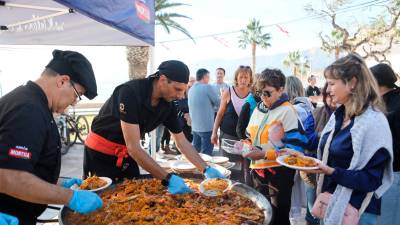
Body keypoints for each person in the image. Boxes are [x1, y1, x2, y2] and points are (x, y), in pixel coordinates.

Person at [83, 60, 225, 195]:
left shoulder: (168, 106)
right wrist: (168, 178)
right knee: (100, 202)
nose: (181, 96)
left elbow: (182, 142)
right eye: (177, 89)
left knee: (132, 196)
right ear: (162, 80)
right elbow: (133, 147)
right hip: (99, 154)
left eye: (183, 90)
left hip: (128, 154)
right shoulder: (130, 92)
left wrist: (205, 168)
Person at [0, 50, 103, 225]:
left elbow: (26, 165)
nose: (73, 103)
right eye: (77, 96)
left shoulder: (29, 100)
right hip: (9, 215)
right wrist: (70, 197)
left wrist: (54, 183)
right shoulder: (28, 109)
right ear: (62, 81)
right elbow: (9, 177)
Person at [303, 54, 393, 225]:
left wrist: (331, 172)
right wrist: (300, 156)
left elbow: (372, 180)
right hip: (332, 203)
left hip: (357, 213)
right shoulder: (339, 116)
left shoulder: (374, 122)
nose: (327, 90)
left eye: (331, 83)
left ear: (352, 83)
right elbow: (330, 154)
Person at [243, 69, 309, 225]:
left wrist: (265, 154)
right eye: (260, 93)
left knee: (279, 217)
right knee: (262, 214)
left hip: (279, 174)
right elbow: (249, 135)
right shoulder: (259, 108)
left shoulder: (288, 111)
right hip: (258, 171)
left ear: (280, 90)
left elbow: (296, 149)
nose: (263, 97)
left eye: (267, 93)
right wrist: (245, 145)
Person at [370, 63, 400, 225]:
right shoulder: (379, 102)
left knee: (388, 220)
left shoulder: (397, 104)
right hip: (381, 172)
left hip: (394, 173)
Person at [211, 65, 252, 182]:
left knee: (246, 168)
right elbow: (220, 114)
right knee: (228, 166)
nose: (243, 80)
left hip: (246, 138)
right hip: (228, 136)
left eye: (246, 77)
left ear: (250, 79)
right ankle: (228, 188)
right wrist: (214, 133)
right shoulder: (228, 92)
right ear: (236, 78)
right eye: (241, 77)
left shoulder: (253, 94)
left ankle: (245, 189)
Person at [188, 69, 220, 156]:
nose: (208, 79)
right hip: (207, 127)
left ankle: (196, 168)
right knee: (207, 155)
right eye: (208, 77)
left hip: (195, 127)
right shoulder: (207, 87)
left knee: (196, 153)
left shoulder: (191, 89)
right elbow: (219, 103)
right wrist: (213, 106)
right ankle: (205, 169)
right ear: (204, 77)